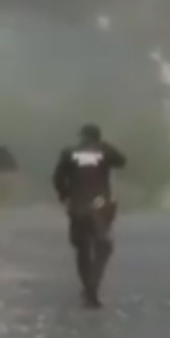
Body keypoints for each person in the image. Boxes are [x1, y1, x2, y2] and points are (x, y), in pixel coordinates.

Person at [52, 123, 127, 308]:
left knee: (82, 247)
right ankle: (93, 286)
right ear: (98, 137)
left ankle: (87, 286)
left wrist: (64, 195)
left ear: (82, 136)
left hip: (77, 205)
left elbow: (57, 178)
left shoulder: (69, 152)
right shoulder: (104, 149)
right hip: (99, 205)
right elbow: (122, 161)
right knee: (104, 245)